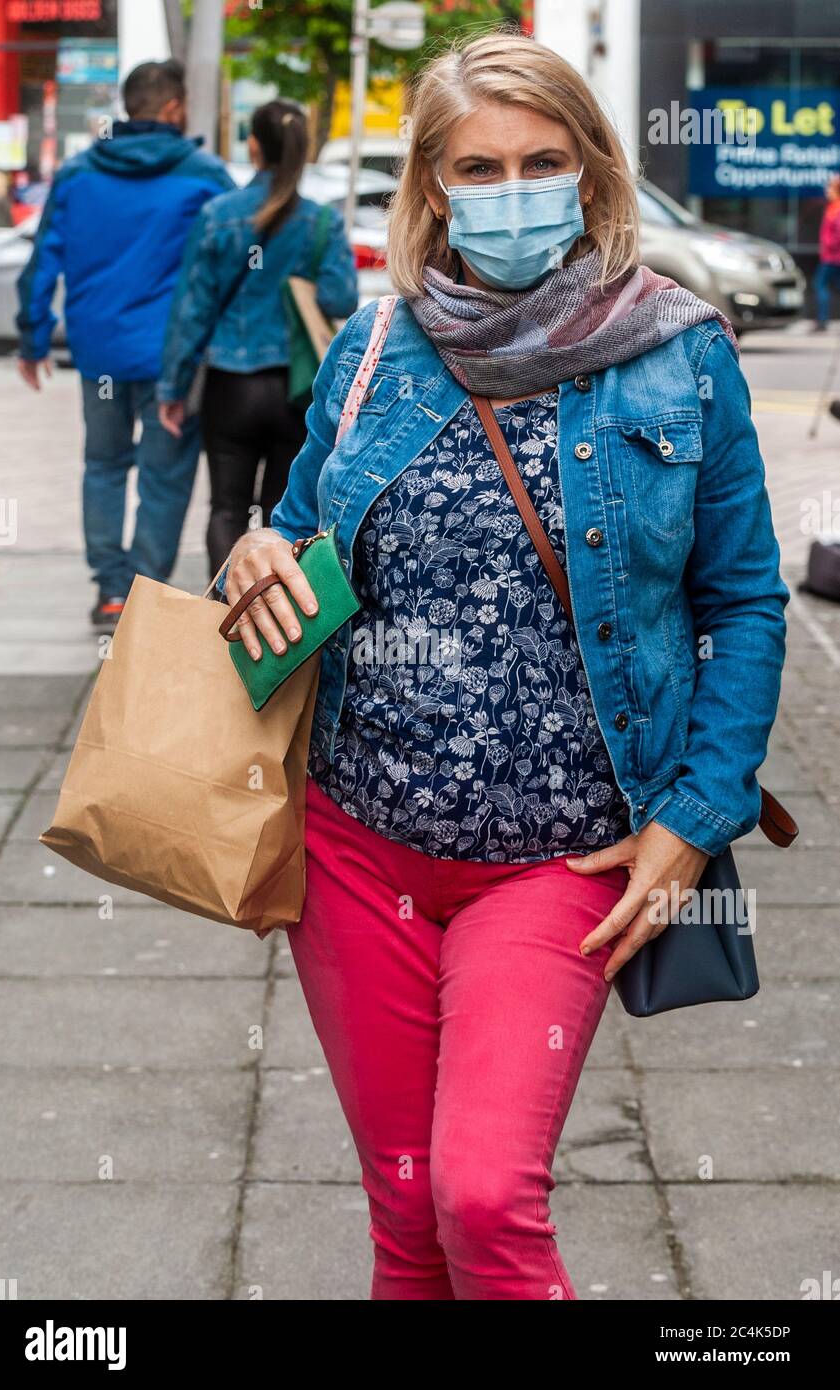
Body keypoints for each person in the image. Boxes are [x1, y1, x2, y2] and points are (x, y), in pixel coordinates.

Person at [219, 31, 789, 1300]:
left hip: (559, 854)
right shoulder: (372, 350)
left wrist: (695, 819)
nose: (513, 191)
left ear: (589, 175)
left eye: (542, 162)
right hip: (357, 846)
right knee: (408, 1214)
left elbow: (743, 600)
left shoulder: (677, 351)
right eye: (479, 167)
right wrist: (257, 555)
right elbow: (303, 538)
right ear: (432, 188)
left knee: (483, 1195)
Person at [16, 59, 233, 632]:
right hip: (174, 360)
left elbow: (42, 261)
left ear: (128, 106)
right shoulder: (205, 174)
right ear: (173, 109)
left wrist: (32, 336)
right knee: (165, 475)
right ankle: (144, 591)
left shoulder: (78, 172)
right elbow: (238, 254)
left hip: (100, 354)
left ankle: (111, 590)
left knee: (104, 465)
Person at [157, 99, 358, 580]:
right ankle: (273, 628)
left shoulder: (218, 215)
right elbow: (340, 296)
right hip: (296, 388)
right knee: (281, 517)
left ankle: (221, 618)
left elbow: (192, 311)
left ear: (253, 147)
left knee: (226, 507)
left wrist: (173, 388)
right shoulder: (322, 222)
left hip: (230, 386)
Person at [813, 172, 840, 332]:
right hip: (831, 256)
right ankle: (821, 320)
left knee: (819, 284)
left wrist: (828, 246)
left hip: (832, 257)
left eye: (829, 188)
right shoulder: (832, 207)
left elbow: (837, 235)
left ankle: (822, 321)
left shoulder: (836, 209)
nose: (826, 191)